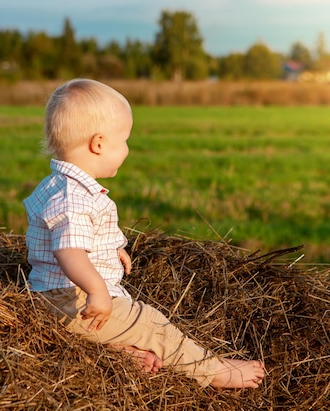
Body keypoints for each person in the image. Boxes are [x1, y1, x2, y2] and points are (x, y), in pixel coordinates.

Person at [23, 78, 265, 388]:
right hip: (72, 300)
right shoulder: (76, 198)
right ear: (98, 144)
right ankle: (215, 372)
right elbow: (69, 250)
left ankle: (120, 352)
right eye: (123, 140)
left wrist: (109, 248)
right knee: (150, 323)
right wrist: (97, 290)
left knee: (116, 328)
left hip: (48, 298)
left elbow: (73, 236)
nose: (127, 148)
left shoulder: (55, 185)